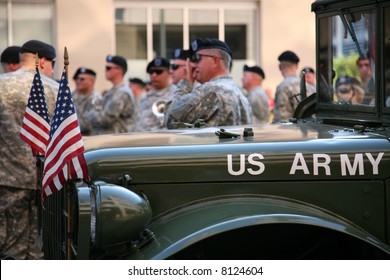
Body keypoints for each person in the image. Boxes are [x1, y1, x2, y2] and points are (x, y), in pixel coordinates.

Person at [0, 39, 59, 260]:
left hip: (7, 180)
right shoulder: (55, 88)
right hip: (46, 179)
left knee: (9, 242)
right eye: (52, 63)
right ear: (42, 61)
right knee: (40, 244)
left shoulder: (1, 85)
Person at [164, 38, 252, 128]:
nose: (193, 65)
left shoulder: (210, 91)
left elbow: (170, 119)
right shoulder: (241, 94)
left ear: (215, 61)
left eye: (197, 58)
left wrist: (186, 83)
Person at [87, 55, 136, 134]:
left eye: (108, 68)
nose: (105, 71)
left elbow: (106, 119)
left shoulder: (121, 92)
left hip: (117, 141)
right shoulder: (113, 91)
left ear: (119, 70)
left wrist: (90, 114)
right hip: (110, 140)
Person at [134, 57, 177, 131]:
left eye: (158, 72)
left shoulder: (175, 95)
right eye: (151, 72)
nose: (154, 75)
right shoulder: (145, 96)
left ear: (169, 73)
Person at [273, 50, 315, 122]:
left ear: (279, 67)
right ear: (297, 66)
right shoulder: (310, 87)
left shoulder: (282, 87)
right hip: (310, 130)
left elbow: (282, 118)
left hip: (292, 131)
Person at [72, 67, 101, 136]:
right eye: (77, 79)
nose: (78, 81)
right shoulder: (73, 96)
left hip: (89, 138)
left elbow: (90, 123)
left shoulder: (96, 99)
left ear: (92, 81)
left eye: (82, 79)